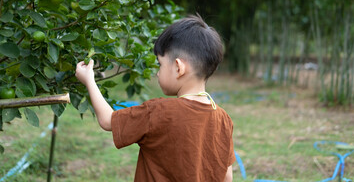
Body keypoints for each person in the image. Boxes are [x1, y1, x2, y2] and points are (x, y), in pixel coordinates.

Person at [75, 14, 235, 182]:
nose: (158, 72)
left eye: (160, 64)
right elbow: (227, 177)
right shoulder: (223, 119)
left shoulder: (158, 112)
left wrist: (89, 80)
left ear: (178, 67)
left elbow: (108, 121)